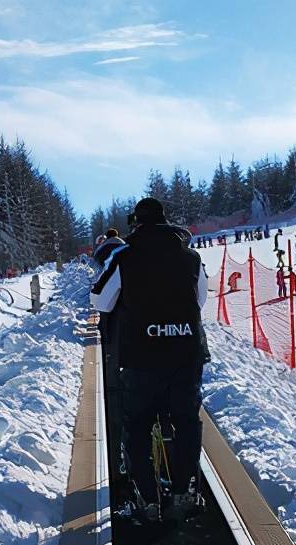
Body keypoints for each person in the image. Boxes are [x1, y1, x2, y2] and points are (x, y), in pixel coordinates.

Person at [91, 197, 209, 522]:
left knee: (138, 424)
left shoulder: (124, 257)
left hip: (143, 355)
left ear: (136, 224)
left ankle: (146, 498)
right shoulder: (191, 257)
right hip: (186, 352)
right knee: (186, 422)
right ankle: (186, 490)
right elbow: (201, 299)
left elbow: (99, 299)